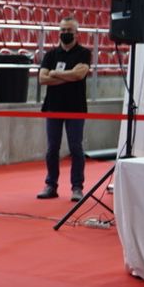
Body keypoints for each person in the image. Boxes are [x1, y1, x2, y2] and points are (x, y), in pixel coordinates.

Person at [36, 16, 91, 201]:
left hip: (76, 108)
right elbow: (42, 79)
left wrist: (56, 74)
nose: (66, 33)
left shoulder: (84, 53)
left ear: (77, 33)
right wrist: (68, 75)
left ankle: (77, 187)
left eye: (69, 30)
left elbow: (80, 74)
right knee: (52, 148)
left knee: (76, 148)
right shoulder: (51, 55)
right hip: (53, 107)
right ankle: (51, 185)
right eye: (63, 30)